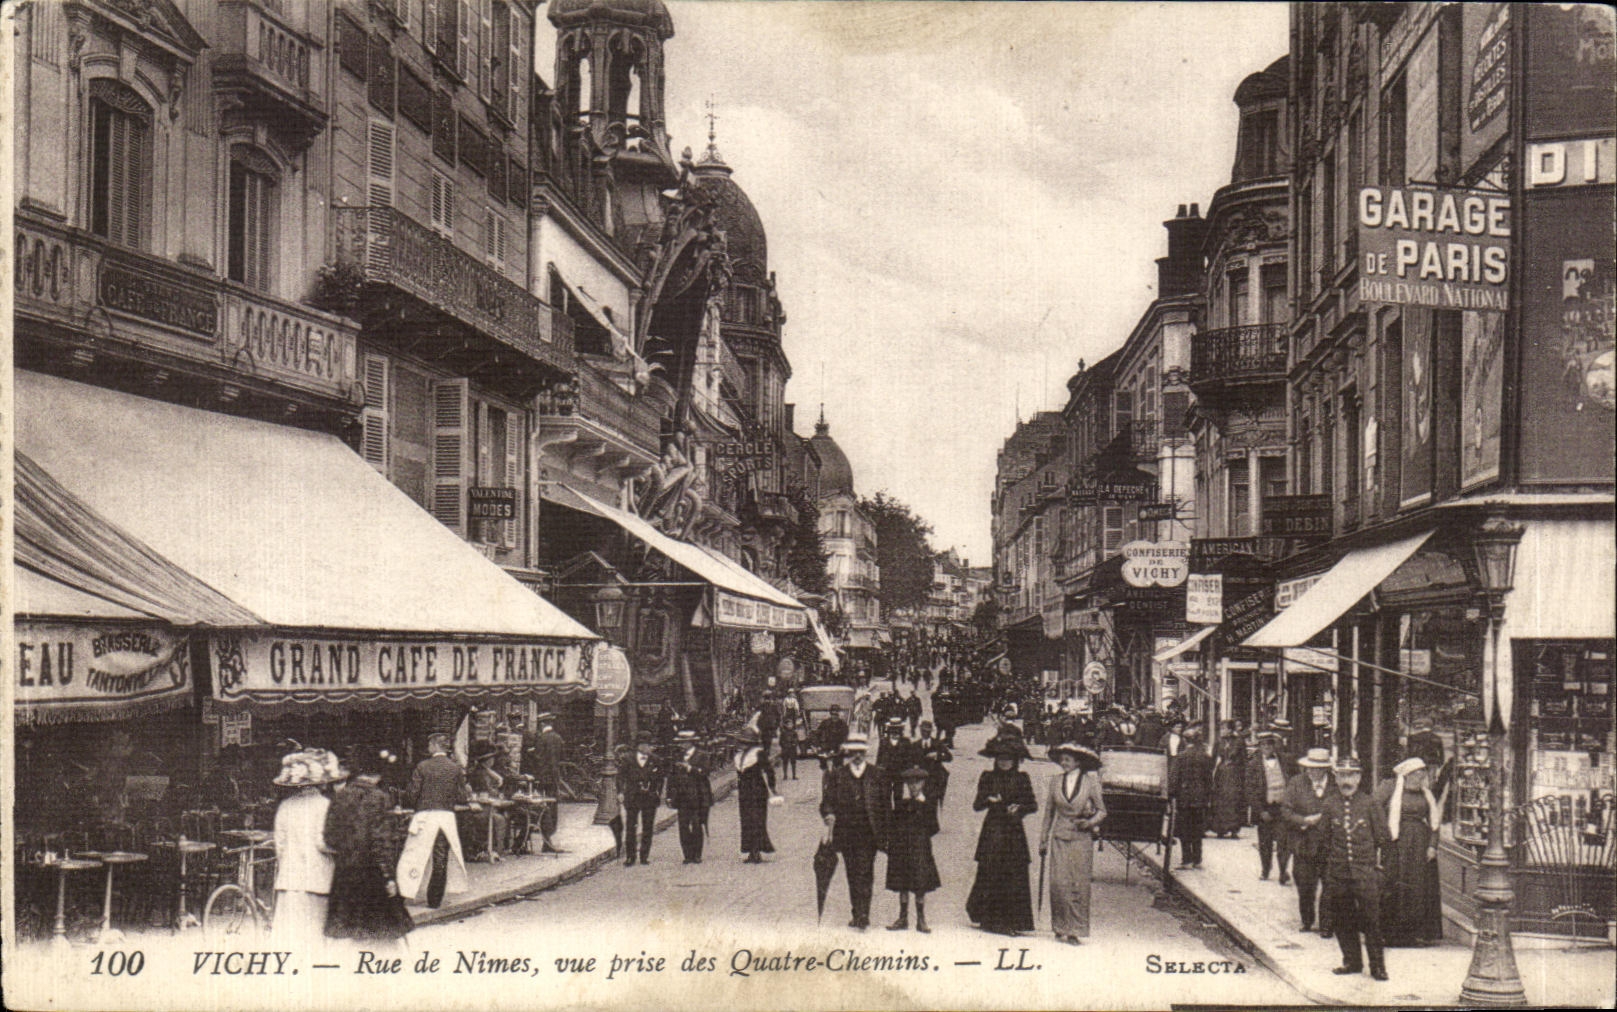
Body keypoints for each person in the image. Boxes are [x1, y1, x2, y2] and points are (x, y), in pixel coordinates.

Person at [324, 748, 413, 945]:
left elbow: (330, 837)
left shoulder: (340, 796)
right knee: (381, 937)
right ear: (378, 774)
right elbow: (381, 841)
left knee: (349, 934)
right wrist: (389, 876)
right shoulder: (379, 797)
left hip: (345, 873)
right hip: (372, 876)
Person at [1320, 757, 1392, 981]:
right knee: (1343, 919)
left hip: (1365, 875)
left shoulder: (1370, 804)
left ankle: (1378, 967)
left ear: (1359, 778)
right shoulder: (1329, 804)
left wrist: (1379, 872)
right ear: (1336, 778)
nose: (1346, 781)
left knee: (1371, 921)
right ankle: (1351, 962)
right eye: (1342, 776)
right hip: (1339, 874)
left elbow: (1384, 839)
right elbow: (1324, 841)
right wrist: (1329, 873)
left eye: (1351, 776)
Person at [965, 732, 1037, 936]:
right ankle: (990, 919)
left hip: (1014, 832)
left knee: (1013, 873)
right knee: (991, 870)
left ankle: (1012, 921)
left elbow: (1033, 804)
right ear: (995, 759)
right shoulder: (988, 777)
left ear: (1016, 761)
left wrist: (1020, 807)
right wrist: (990, 800)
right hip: (993, 831)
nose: (1004, 763)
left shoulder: (1022, 778)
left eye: (1009, 759)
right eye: (1001, 759)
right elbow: (977, 805)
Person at [819, 735, 893, 930]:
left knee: (866, 872)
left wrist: (886, 834)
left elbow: (886, 806)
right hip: (846, 833)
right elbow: (826, 802)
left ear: (865, 753)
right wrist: (829, 814)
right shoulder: (838, 775)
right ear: (848, 754)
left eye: (860, 752)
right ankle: (856, 911)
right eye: (853, 753)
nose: (857, 756)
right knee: (852, 873)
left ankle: (863, 914)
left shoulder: (877, 775)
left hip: (870, 833)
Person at [270, 747, 340, 945]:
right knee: (315, 934)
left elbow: (280, 844)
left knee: (289, 934)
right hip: (316, 878)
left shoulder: (285, 806)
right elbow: (323, 842)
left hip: (290, 879)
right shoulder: (324, 805)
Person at [1039, 742, 1107, 945]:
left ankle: (1076, 930)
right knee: (1058, 884)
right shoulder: (1055, 781)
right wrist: (1043, 839)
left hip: (1081, 838)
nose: (1063, 762)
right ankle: (1060, 926)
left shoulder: (1090, 783)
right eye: (1062, 759)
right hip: (1059, 837)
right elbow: (1049, 812)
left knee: (1078, 884)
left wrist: (1090, 822)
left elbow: (1102, 811)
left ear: (1078, 762)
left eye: (1068, 759)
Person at [398, 733, 473, 909]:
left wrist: (411, 800)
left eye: (430, 745)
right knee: (440, 858)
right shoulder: (455, 768)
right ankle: (434, 900)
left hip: (424, 816)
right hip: (445, 818)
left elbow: (412, 794)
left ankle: (405, 892)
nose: (428, 748)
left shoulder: (422, 767)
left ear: (435, 746)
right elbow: (462, 796)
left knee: (414, 855)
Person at [1376, 757, 1443, 946]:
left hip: (1420, 845)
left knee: (1418, 889)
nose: (1419, 777)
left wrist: (1432, 846)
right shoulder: (1389, 788)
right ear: (1405, 775)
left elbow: (1434, 822)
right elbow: (1375, 810)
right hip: (1396, 843)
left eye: (1421, 774)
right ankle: (1389, 934)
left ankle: (1414, 934)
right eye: (1414, 774)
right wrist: (1383, 835)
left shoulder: (1426, 794)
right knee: (1392, 885)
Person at [1282, 747, 1335, 935]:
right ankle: (1307, 920)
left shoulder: (1335, 785)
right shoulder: (1296, 783)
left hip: (1330, 845)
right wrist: (1304, 821)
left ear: (1326, 769)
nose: (1314, 772)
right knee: (1305, 884)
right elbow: (1286, 811)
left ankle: (1327, 925)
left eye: (1318, 769)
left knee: (1330, 884)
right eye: (1310, 768)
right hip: (1303, 844)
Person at [885, 765, 941, 933]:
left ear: (923, 783)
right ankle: (903, 917)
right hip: (902, 848)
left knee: (920, 883)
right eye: (910, 784)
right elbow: (894, 824)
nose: (913, 787)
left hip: (920, 848)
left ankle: (921, 919)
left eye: (917, 783)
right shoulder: (902, 803)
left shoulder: (928, 803)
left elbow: (934, 827)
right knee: (903, 883)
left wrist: (920, 837)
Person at [1245, 731, 1296, 882]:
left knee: (1283, 841)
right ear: (1259, 746)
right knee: (1265, 842)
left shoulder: (1285, 760)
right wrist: (1260, 811)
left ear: (1274, 746)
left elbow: (1294, 782)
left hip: (1282, 807)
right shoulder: (1253, 764)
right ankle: (1265, 870)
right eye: (1263, 744)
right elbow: (1250, 790)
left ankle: (1283, 871)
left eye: (1269, 744)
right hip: (1265, 808)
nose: (1267, 747)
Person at [1169, 724, 1214, 869]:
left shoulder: (1181, 757)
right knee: (1197, 829)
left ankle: (1186, 859)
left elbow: (1174, 779)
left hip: (1185, 798)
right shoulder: (1205, 757)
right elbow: (1209, 779)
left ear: (1185, 740)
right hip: (1200, 799)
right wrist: (1207, 796)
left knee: (1185, 830)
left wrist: (1171, 794)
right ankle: (1197, 859)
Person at [666, 730, 712, 864]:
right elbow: (671, 777)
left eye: (683, 742)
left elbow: (705, 772)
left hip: (698, 796)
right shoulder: (677, 756)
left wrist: (690, 768)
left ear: (691, 743)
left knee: (697, 824)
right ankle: (687, 855)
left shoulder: (702, 755)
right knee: (683, 826)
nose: (681, 745)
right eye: (680, 743)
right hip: (682, 797)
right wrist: (669, 795)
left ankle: (697, 854)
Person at [618, 738, 665, 866]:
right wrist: (621, 792)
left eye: (650, 745)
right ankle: (630, 856)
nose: (649, 748)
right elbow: (621, 776)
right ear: (640, 746)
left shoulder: (656, 760)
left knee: (648, 827)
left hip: (649, 797)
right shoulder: (627, 759)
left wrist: (657, 793)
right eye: (647, 745)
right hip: (633, 796)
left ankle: (644, 855)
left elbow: (661, 778)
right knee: (631, 827)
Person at [734, 729, 778, 864]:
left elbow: (769, 771)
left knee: (757, 819)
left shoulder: (759, 754)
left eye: (746, 742)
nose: (743, 744)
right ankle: (750, 851)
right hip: (744, 791)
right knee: (746, 820)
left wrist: (772, 787)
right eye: (742, 742)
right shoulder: (739, 756)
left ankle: (757, 851)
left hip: (757, 790)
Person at [525, 713, 564, 853]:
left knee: (543, 807)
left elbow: (538, 759)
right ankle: (548, 839)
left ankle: (546, 840)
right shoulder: (558, 738)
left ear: (542, 725)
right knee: (552, 808)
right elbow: (558, 760)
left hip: (542, 779)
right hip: (553, 779)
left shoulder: (541, 739)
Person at [467, 745, 509, 859]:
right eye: (491, 759)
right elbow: (487, 790)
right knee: (501, 819)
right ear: (487, 761)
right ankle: (497, 850)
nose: (493, 761)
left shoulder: (483, 771)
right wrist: (497, 793)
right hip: (481, 808)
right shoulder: (481, 773)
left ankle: (497, 849)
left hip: (481, 806)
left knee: (502, 815)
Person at [1210, 725, 1248, 838]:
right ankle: (1220, 829)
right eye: (1220, 728)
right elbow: (1213, 758)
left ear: (1231, 730)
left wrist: (1242, 773)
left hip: (1234, 773)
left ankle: (1233, 829)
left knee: (1233, 799)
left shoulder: (1239, 742)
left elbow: (1244, 759)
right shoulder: (1218, 742)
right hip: (1221, 773)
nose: (1222, 731)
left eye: (1224, 728)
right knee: (1220, 799)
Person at [915, 721, 952, 805]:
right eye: (923, 731)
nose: (925, 733)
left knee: (932, 803)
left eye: (927, 731)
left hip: (935, 777)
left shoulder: (937, 743)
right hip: (920, 778)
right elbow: (910, 759)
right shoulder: (915, 745)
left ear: (930, 732)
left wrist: (937, 755)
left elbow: (949, 757)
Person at [815, 706, 849, 773]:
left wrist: (843, 744)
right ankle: (826, 776)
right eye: (833, 714)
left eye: (836, 714)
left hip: (838, 747)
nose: (834, 716)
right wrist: (818, 745)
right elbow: (817, 734)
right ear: (830, 714)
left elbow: (846, 735)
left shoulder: (842, 724)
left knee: (838, 767)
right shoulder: (825, 723)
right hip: (826, 746)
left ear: (838, 714)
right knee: (823, 764)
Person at [778, 712, 801, 782]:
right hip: (785, 749)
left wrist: (794, 744)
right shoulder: (783, 733)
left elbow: (797, 740)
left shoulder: (794, 732)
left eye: (791, 724)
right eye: (789, 724)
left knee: (793, 762)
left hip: (792, 749)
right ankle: (785, 775)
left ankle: (794, 775)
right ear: (786, 725)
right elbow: (780, 741)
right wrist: (784, 746)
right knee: (785, 762)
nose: (790, 725)